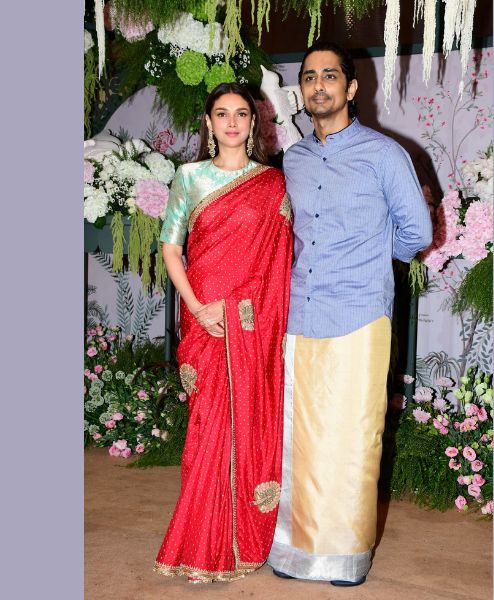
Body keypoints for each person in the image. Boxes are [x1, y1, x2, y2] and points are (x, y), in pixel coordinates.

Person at [266, 41, 433, 586]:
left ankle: (344, 557)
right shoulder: (293, 159)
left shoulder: (384, 154)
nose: (318, 85)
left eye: (329, 76)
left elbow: (417, 232)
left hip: (359, 313)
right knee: (301, 436)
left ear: (351, 87)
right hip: (300, 310)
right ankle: (295, 551)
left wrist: (371, 264)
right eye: (309, 77)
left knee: (354, 437)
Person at [153, 83, 293, 583]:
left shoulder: (272, 183)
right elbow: (171, 249)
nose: (231, 122)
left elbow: (277, 261)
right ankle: (200, 542)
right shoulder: (189, 177)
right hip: (202, 321)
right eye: (221, 114)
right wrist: (198, 308)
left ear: (254, 123)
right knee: (207, 428)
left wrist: (234, 310)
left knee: (241, 426)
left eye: (241, 114)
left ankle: (234, 543)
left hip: (249, 322)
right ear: (209, 123)